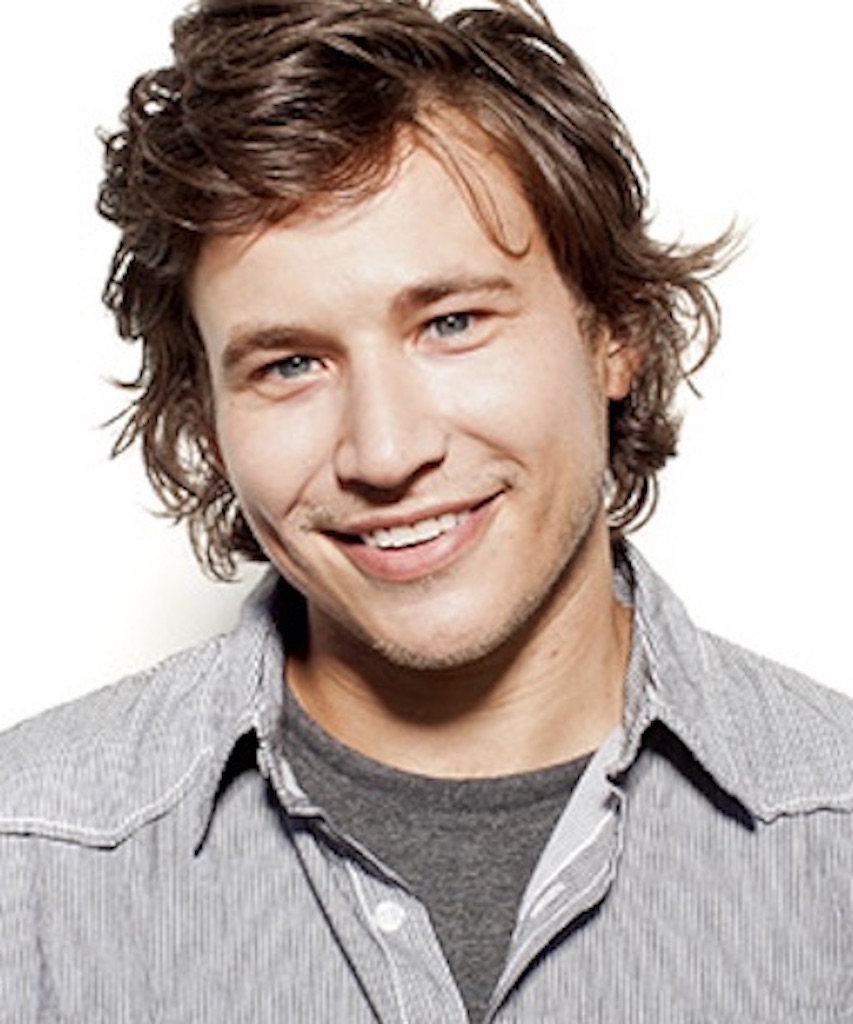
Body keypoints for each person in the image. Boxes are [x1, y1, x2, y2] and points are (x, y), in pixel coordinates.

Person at [1, 0, 851, 1019]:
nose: (386, 450)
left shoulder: (832, 831)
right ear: (209, 422)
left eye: (451, 322)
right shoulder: (30, 861)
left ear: (614, 332)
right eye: (290, 364)